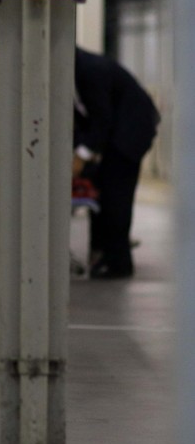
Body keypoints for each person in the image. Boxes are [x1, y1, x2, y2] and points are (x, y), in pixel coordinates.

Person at [73, 47, 160, 279]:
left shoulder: (91, 70)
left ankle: (118, 263)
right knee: (103, 191)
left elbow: (101, 118)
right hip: (116, 133)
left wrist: (81, 155)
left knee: (116, 195)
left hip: (130, 134)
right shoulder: (76, 71)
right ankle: (103, 254)